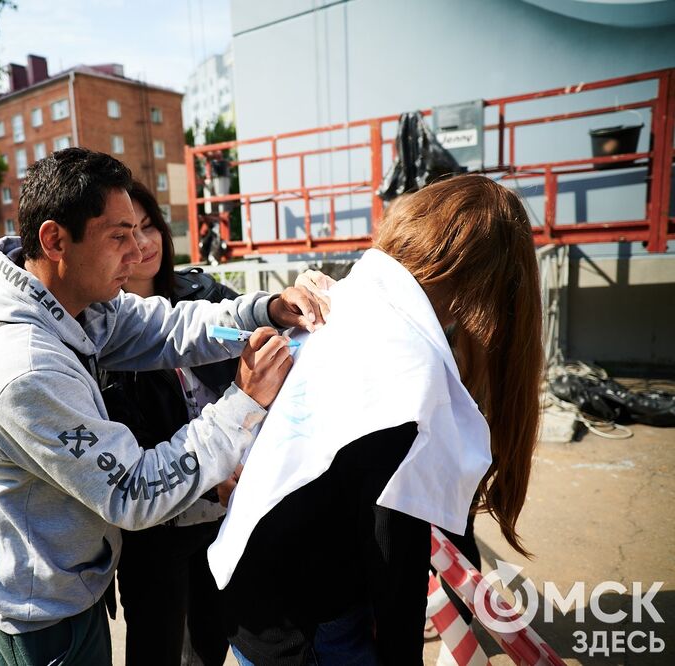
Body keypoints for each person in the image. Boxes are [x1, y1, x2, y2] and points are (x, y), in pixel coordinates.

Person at [0, 147, 326, 665]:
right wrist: (242, 402)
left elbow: (168, 327)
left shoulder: (72, 307)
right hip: (43, 611)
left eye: (139, 230)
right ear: (54, 240)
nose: (137, 253)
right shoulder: (28, 369)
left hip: (69, 581)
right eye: (118, 236)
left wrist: (263, 310)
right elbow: (133, 489)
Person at [209, 174, 543, 665]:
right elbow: (393, 548)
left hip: (254, 586)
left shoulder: (350, 304)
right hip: (311, 623)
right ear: (483, 284)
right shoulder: (407, 369)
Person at [97, 181, 237, 666]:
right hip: (158, 524)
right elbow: (122, 448)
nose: (143, 242)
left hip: (229, 512)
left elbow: (261, 369)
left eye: (149, 225)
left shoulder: (206, 295)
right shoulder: (98, 333)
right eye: (125, 233)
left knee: (213, 641)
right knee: (158, 645)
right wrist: (205, 485)